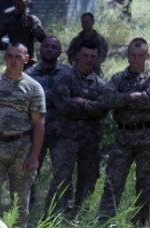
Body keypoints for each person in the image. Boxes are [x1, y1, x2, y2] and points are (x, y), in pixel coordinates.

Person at [0, 42, 45, 228]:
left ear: (26, 59)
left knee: (20, 197)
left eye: (18, 57)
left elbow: (38, 123)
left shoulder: (33, 87)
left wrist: (34, 156)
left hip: (21, 147)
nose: (13, 61)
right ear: (5, 57)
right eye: (10, 56)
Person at [98, 38, 150, 228]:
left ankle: (139, 225)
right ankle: (106, 224)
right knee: (113, 182)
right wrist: (131, 96)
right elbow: (108, 100)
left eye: (140, 55)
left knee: (145, 183)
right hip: (123, 137)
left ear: (147, 56)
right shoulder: (118, 78)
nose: (136, 59)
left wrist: (123, 99)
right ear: (128, 56)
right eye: (132, 55)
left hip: (147, 136)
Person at [46, 40, 107, 217]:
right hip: (66, 137)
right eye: (85, 56)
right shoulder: (63, 77)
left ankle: (79, 215)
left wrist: (80, 102)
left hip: (91, 139)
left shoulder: (100, 84)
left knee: (88, 178)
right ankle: (54, 216)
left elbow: (103, 109)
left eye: (93, 57)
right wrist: (90, 106)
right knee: (61, 178)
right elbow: (63, 105)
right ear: (77, 56)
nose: (88, 60)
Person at [27, 35, 69, 205]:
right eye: (46, 46)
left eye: (54, 47)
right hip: (35, 132)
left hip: (62, 132)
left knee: (62, 172)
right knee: (30, 170)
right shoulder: (29, 75)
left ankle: (59, 207)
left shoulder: (68, 73)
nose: (49, 49)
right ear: (40, 49)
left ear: (59, 51)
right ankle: (28, 204)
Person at [0, 0, 46, 67]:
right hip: (14, 59)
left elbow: (43, 39)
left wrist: (33, 27)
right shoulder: (10, 22)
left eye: (23, 5)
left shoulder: (33, 20)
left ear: (26, 5)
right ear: (15, 6)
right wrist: (7, 47)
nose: (21, 8)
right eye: (18, 6)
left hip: (29, 59)